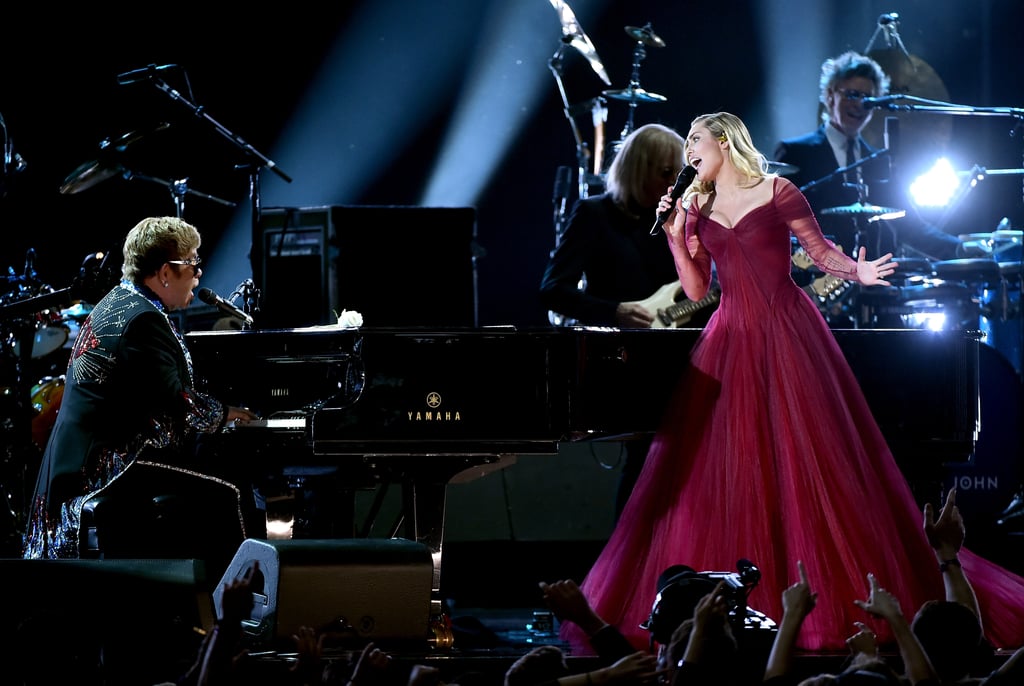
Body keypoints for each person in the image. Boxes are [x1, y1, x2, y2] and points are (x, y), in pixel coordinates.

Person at [560, 111, 1024, 657]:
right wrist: (674, 234)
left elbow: (821, 251)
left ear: (726, 144)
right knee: (728, 465)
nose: (689, 153)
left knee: (808, 458)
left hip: (789, 331)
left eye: (696, 142)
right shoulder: (696, 204)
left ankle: (825, 601)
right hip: (729, 335)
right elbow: (694, 285)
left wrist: (860, 271)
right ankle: (740, 610)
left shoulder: (779, 191)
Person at [22, 216, 258, 560]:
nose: (199, 272)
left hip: (87, 461)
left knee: (209, 478)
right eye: (191, 262)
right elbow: (177, 401)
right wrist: (226, 415)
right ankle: (235, 604)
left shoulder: (122, 302)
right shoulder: (142, 319)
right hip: (104, 469)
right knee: (231, 490)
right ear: (165, 272)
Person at [539, 123, 717, 517]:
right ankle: (629, 561)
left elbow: (700, 292)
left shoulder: (680, 220)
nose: (675, 182)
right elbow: (552, 289)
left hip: (681, 357)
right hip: (626, 362)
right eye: (665, 173)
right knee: (645, 467)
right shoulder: (594, 214)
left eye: (679, 173)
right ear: (638, 170)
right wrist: (614, 310)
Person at [774, 51, 962, 265]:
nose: (860, 104)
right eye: (852, 94)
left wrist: (960, 247)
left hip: (871, 283)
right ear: (829, 95)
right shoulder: (796, 153)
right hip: (816, 283)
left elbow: (910, 226)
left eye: (868, 99)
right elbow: (777, 226)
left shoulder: (879, 160)